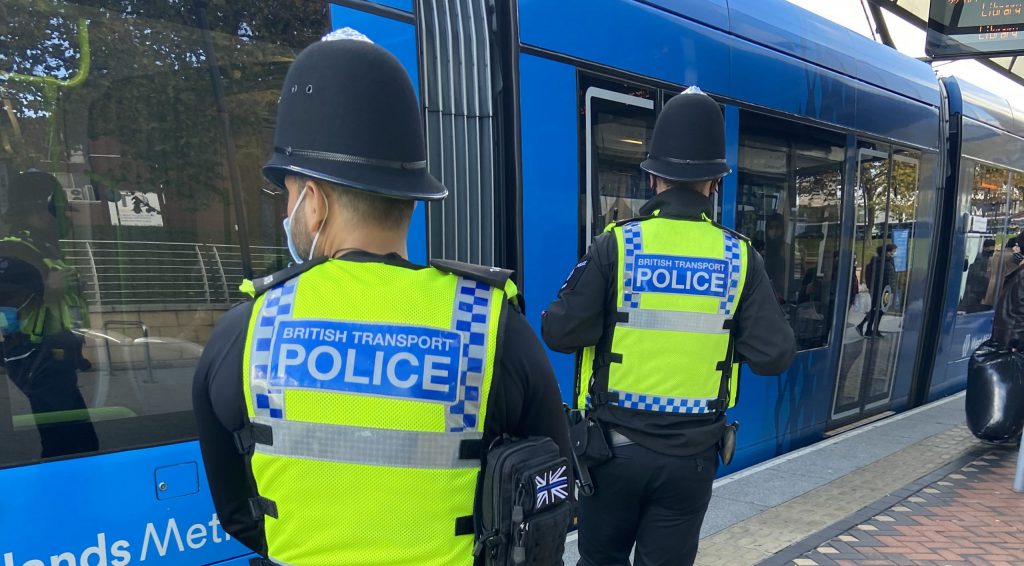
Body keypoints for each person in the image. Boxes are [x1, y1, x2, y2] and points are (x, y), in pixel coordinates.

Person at [192, 38, 570, 566]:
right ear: (411, 196)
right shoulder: (489, 324)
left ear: (314, 201)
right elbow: (551, 484)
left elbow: (237, 513)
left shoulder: (249, 329)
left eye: (289, 191)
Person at [541, 87, 796, 566]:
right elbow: (775, 354)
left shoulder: (616, 246)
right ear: (714, 184)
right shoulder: (739, 257)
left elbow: (560, 333)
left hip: (611, 453)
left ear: (653, 177)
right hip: (691, 460)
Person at [0, 170, 97, 458]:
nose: (63, 219)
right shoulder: (12, 251)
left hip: (53, 358)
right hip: (35, 360)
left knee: (78, 443)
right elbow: (6, 311)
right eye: (58, 211)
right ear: (38, 212)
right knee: (69, 445)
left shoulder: (40, 248)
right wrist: (48, 288)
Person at [856, 243, 897, 338]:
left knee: (877, 309)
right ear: (886, 252)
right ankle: (866, 327)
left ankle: (870, 329)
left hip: (877, 290)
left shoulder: (877, 262)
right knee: (878, 310)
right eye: (892, 252)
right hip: (883, 291)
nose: (893, 254)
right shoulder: (886, 263)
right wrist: (891, 290)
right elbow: (889, 279)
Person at [961, 239, 996, 311]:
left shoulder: (989, 259)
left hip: (979, 291)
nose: (992, 249)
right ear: (985, 247)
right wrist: (987, 276)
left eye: (993, 247)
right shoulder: (979, 258)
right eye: (990, 247)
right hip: (975, 291)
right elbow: (975, 273)